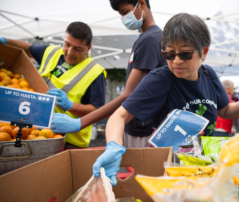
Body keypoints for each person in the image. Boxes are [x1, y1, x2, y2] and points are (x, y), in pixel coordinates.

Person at [92, 13, 239, 186]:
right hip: (169, 169)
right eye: (169, 54)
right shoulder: (160, 79)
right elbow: (119, 117)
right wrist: (113, 146)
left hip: (203, 164)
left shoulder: (208, 74)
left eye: (185, 54)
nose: (176, 61)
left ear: (204, 51)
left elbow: (224, 111)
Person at [49, 0, 166, 148]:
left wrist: (80, 123)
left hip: (145, 130)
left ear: (142, 3)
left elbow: (129, 94)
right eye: (121, 14)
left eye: (125, 12)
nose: (123, 18)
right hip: (138, 127)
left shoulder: (150, 39)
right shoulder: (146, 38)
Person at [0, 22, 107, 149]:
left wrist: (71, 106)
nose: (70, 53)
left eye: (78, 48)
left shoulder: (95, 72)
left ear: (89, 48)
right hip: (32, 133)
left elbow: (97, 112)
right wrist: (6, 41)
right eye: (67, 44)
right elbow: (27, 48)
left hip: (68, 143)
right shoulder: (52, 52)